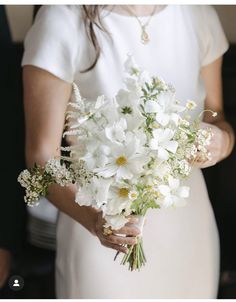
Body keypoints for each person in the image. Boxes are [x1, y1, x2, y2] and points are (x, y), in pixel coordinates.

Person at [21, 5, 235, 299]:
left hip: (189, 230)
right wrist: (96, 222)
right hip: (102, 232)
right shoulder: (63, 16)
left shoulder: (196, 11)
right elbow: (41, 156)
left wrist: (223, 142)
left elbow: (216, 117)